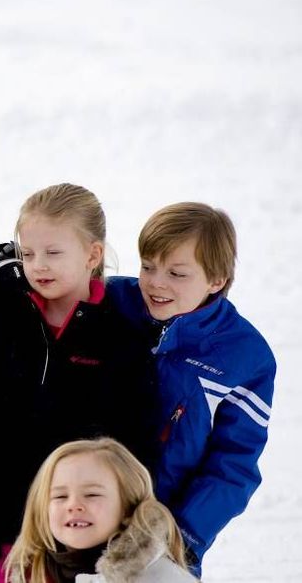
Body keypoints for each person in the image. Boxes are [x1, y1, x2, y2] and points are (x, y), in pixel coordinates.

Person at [0, 184, 156, 582]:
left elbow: (137, 447)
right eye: (27, 254)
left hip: (86, 548)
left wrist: (126, 534)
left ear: (92, 254)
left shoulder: (122, 342)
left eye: (53, 253)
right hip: (1, 545)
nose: (37, 265)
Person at [107, 203, 275, 574]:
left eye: (177, 273)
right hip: (86, 512)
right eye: (147, 266)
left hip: (164, 534)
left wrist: (183, 538)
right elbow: (56, 282)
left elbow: (234, 464)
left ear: (216, 280)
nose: (156, 283)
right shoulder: (113, 303)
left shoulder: (244, 355)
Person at [4, 438, 196, 583]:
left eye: (91, 495)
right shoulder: (27, 573)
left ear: (128, 507)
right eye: (60, 497)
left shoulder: (160, 577)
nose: (73, 505)